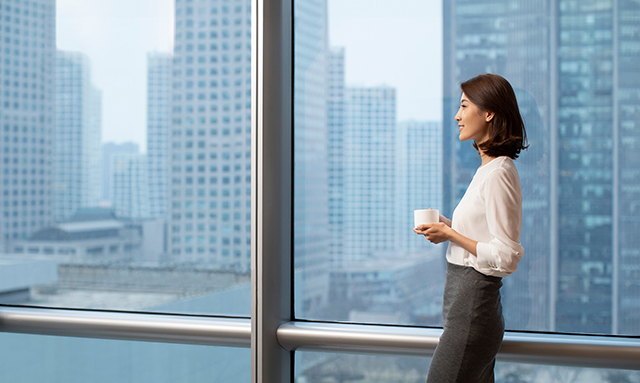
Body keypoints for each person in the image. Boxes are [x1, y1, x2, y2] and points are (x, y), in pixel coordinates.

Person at [414, 73, 528, 383]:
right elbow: (482, 237)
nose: (457, 115)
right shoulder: (487, 170)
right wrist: (449, 227)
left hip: (472, 313)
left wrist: (451, 234)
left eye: (464, 106)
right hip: (465, 311)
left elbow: (507, 256)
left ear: (489, 112)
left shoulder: (499, 172)